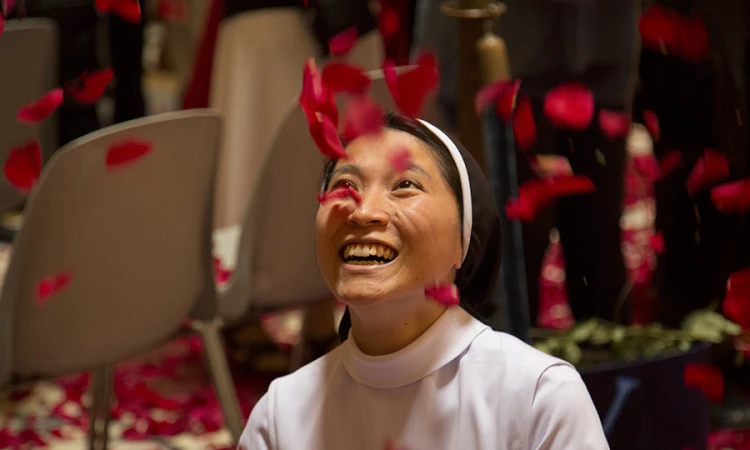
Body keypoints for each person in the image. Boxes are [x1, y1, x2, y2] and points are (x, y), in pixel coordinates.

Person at [238, 113, 608, 450]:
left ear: (464, 242)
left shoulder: (539, 399)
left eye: (404, 185)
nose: (364, 212)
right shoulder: (280, 416)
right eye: (345, 185)